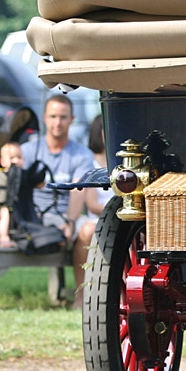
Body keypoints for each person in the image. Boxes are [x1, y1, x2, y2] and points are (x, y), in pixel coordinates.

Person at [23, 94, 94, 289]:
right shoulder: (27, 151)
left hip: (66, 215)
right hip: (34, 216)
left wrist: (70, 221)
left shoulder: (81, 154)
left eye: (63, 117)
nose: (58, 122)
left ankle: (82, 297)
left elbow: (78, 190)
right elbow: (17, 189)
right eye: (53, 116)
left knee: (88, 230)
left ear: (72, 120)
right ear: (45, 118)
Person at [68, 116, 114, 305]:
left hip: (126, 218)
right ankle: (82, 295)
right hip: (100, 217)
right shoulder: (89, 163)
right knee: (86, 232)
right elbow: (93, 204)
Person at [0, 142, 24, 249]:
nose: (16, 161)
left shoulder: (23, 175)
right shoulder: (2, 176)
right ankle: (3, 236)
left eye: (19, 157)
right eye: (11, 158)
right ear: (2, 161)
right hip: (7, 206)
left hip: (21, 210)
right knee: (5, 211)